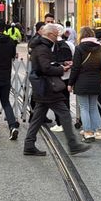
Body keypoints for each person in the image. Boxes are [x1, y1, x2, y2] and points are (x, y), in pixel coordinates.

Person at [23, 24, 89, 156]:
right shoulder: (42, 48)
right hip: (48, 87)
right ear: (49, 35)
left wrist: (62, 63)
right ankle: (73, 144)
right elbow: (45, 68)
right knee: (64, 114)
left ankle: (29, 145)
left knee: (37, 117)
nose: (57, 37)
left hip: (44, 88)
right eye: (55, 35)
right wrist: (61, 69)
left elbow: (47, 64)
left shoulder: (42, 47)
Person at [69, 27, 101, 142]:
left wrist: (70, 83)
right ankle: (99, 131)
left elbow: (75, 68)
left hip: (82, 81)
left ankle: (88, 132)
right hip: (96, 81)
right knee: (93, 107)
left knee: (84, 108)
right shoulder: (100, 48)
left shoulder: (79, 48)